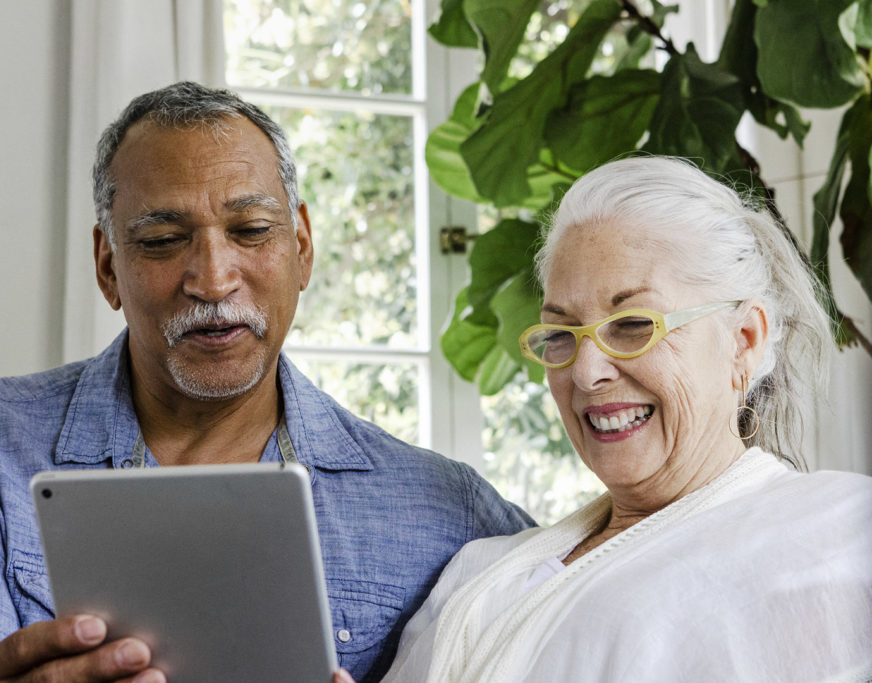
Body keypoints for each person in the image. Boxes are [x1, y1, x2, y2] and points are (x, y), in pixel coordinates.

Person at [0, 81, 533, 682]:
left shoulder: (450, 511)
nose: (214, 280)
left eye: (250, 230)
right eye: (161, 240)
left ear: (302, 248)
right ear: (108, 268)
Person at [364, 156, 872, 682]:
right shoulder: (480, 567)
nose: (586, 373)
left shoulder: (838, 534)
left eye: (633, 324)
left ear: (743, 341)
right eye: (561, 334)